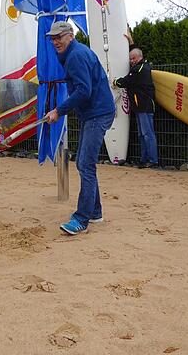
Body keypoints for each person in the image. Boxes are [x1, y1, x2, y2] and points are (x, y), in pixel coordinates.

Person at [42, 21, 116, 235]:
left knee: (85, 164)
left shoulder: (75, 56)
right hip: (93, 113)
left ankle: (81, 218)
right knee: (86, 164)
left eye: (60, 37)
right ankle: (95, 212)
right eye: (53, 38)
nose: (56, 41)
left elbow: (84, 90)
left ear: (70, 36)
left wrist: (58, 110)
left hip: (98, 113)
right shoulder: (69, 53)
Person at [113, 45, 159, 168]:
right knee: (142, 134)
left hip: (144, 106)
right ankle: (144, 160)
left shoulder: (139, 69)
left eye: (133, 58)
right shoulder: (142, 67)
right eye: (130, 59)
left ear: (140, 57)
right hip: (139, 106)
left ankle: (153, 160)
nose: (131, 61)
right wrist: (130, 40)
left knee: (147, 133)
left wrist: (115, 82)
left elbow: (127, 81)